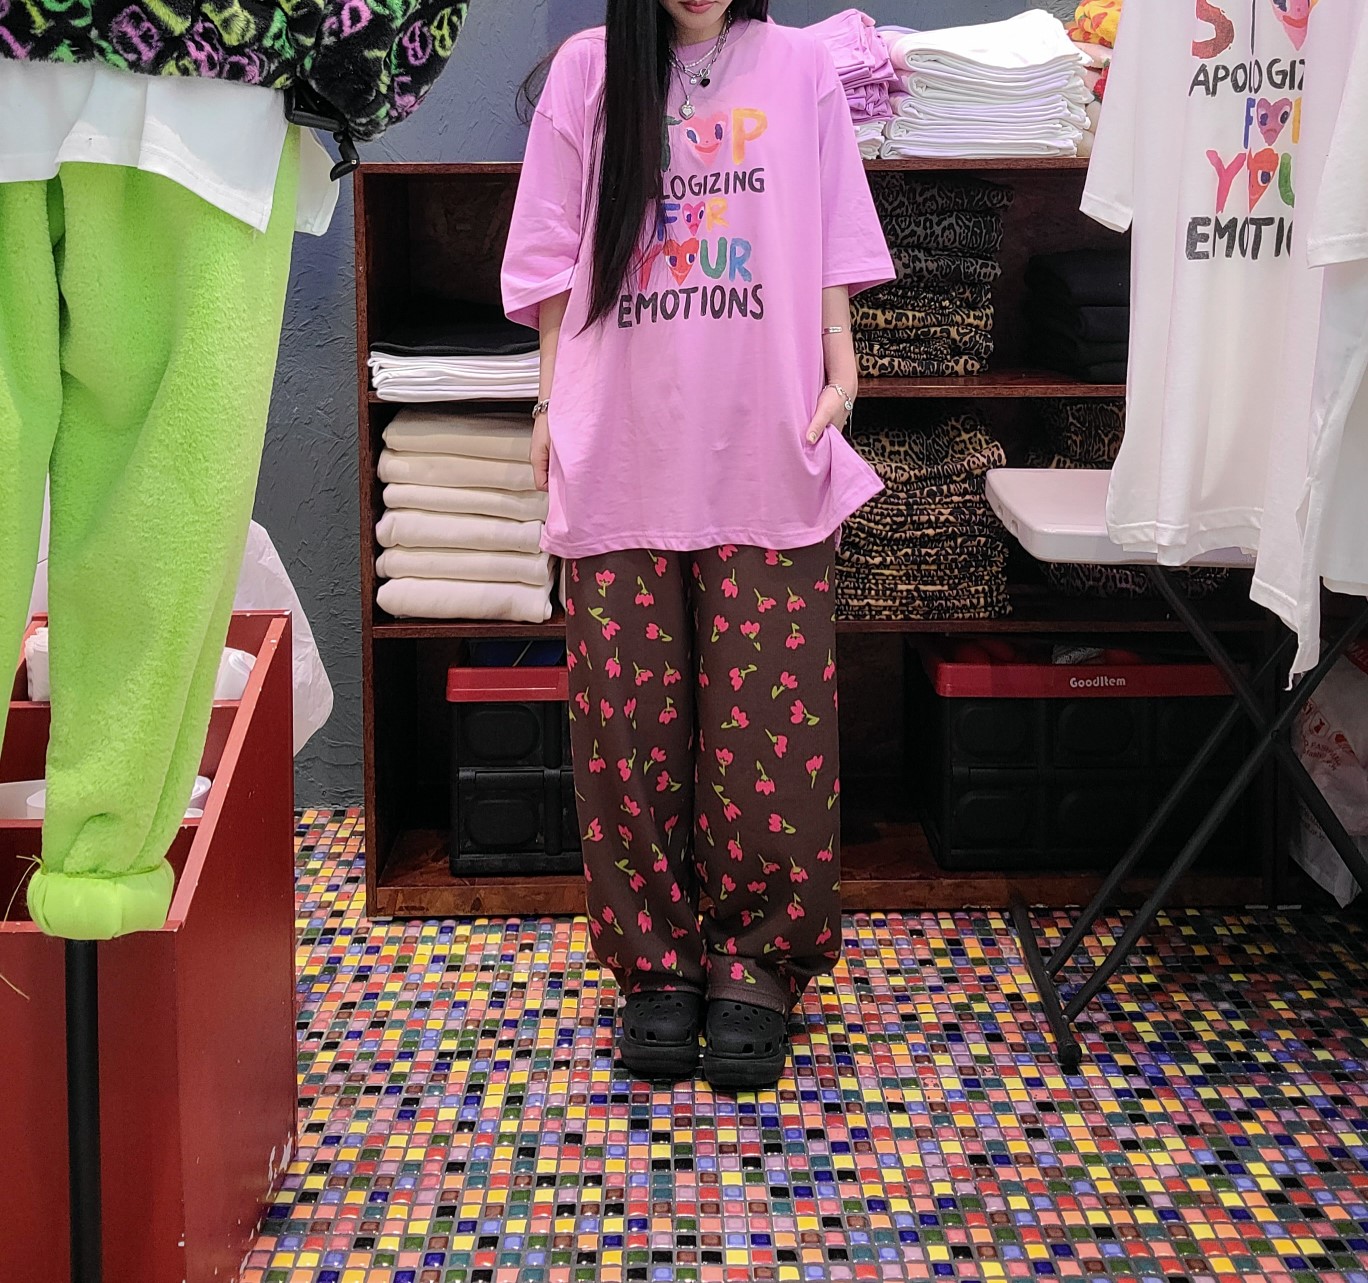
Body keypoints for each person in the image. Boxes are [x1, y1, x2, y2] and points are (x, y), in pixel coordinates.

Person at [502, 0, 893, 1090]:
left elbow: (833, 235)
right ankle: (656, 964)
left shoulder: (801, 67)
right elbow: (549, 256)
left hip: (764, 435)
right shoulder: (587, 73)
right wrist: (550, 404)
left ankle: (758, 957)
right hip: (622, 439)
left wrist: (842, 363)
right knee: (624, 722)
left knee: (771, 719)